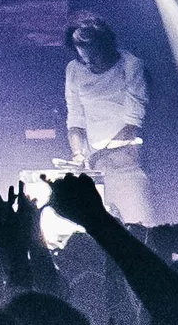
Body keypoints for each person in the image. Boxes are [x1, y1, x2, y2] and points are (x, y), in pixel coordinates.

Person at [62, 18, 152, 224]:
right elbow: (75, 118)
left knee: (138, 227)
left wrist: (100, 154)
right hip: (94, 170)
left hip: (126, 166)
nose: (89, 63)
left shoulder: (131, 65)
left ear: (107, 46)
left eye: (95, 57)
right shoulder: (74, 70)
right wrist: (78, 154)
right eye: (84, 58)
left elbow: (133, 123)